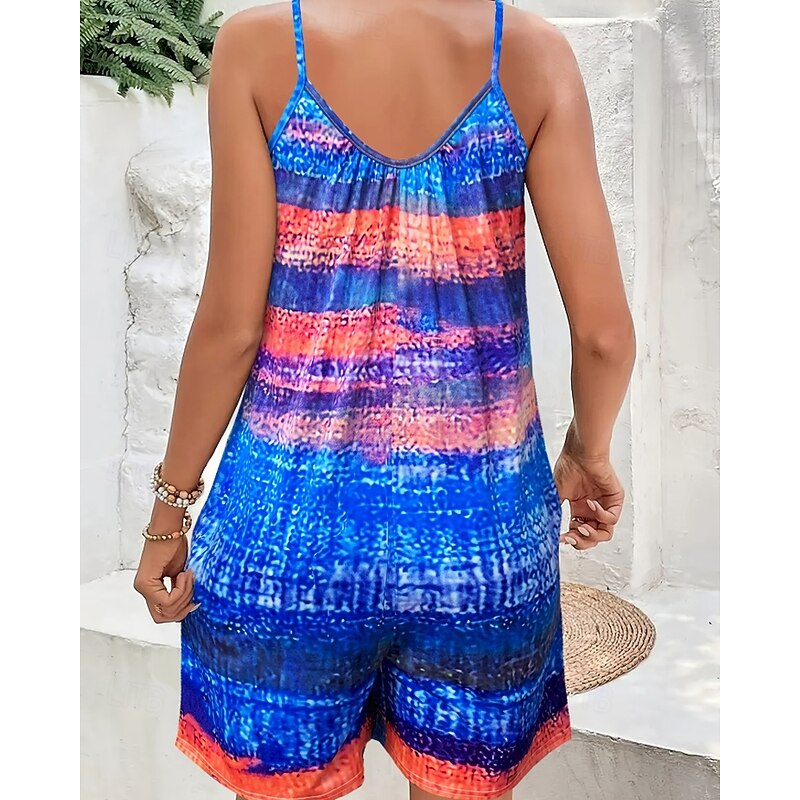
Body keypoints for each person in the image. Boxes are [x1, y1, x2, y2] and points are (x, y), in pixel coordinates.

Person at [133, 1, 635, 798]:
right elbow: (605, 335)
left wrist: (169, 511)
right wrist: (586, 450)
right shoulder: (535, 55)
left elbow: (230, 327)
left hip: (287, 544)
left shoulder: (258, 46)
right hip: (481, 547)